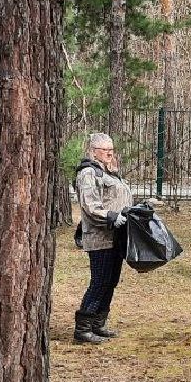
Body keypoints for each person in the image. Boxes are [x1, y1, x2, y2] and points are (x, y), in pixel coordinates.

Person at [72, 132, 133, 344]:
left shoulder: (108, 171)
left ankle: (98, 323)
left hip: (116, 236)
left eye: (111, 149)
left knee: (111, 281)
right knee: (99, 282)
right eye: (104, 149)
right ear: (93, 151)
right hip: (100, 237)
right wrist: (110, 216)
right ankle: (83, 329)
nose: (109, 153)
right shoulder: (88, 172)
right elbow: (90, 206)